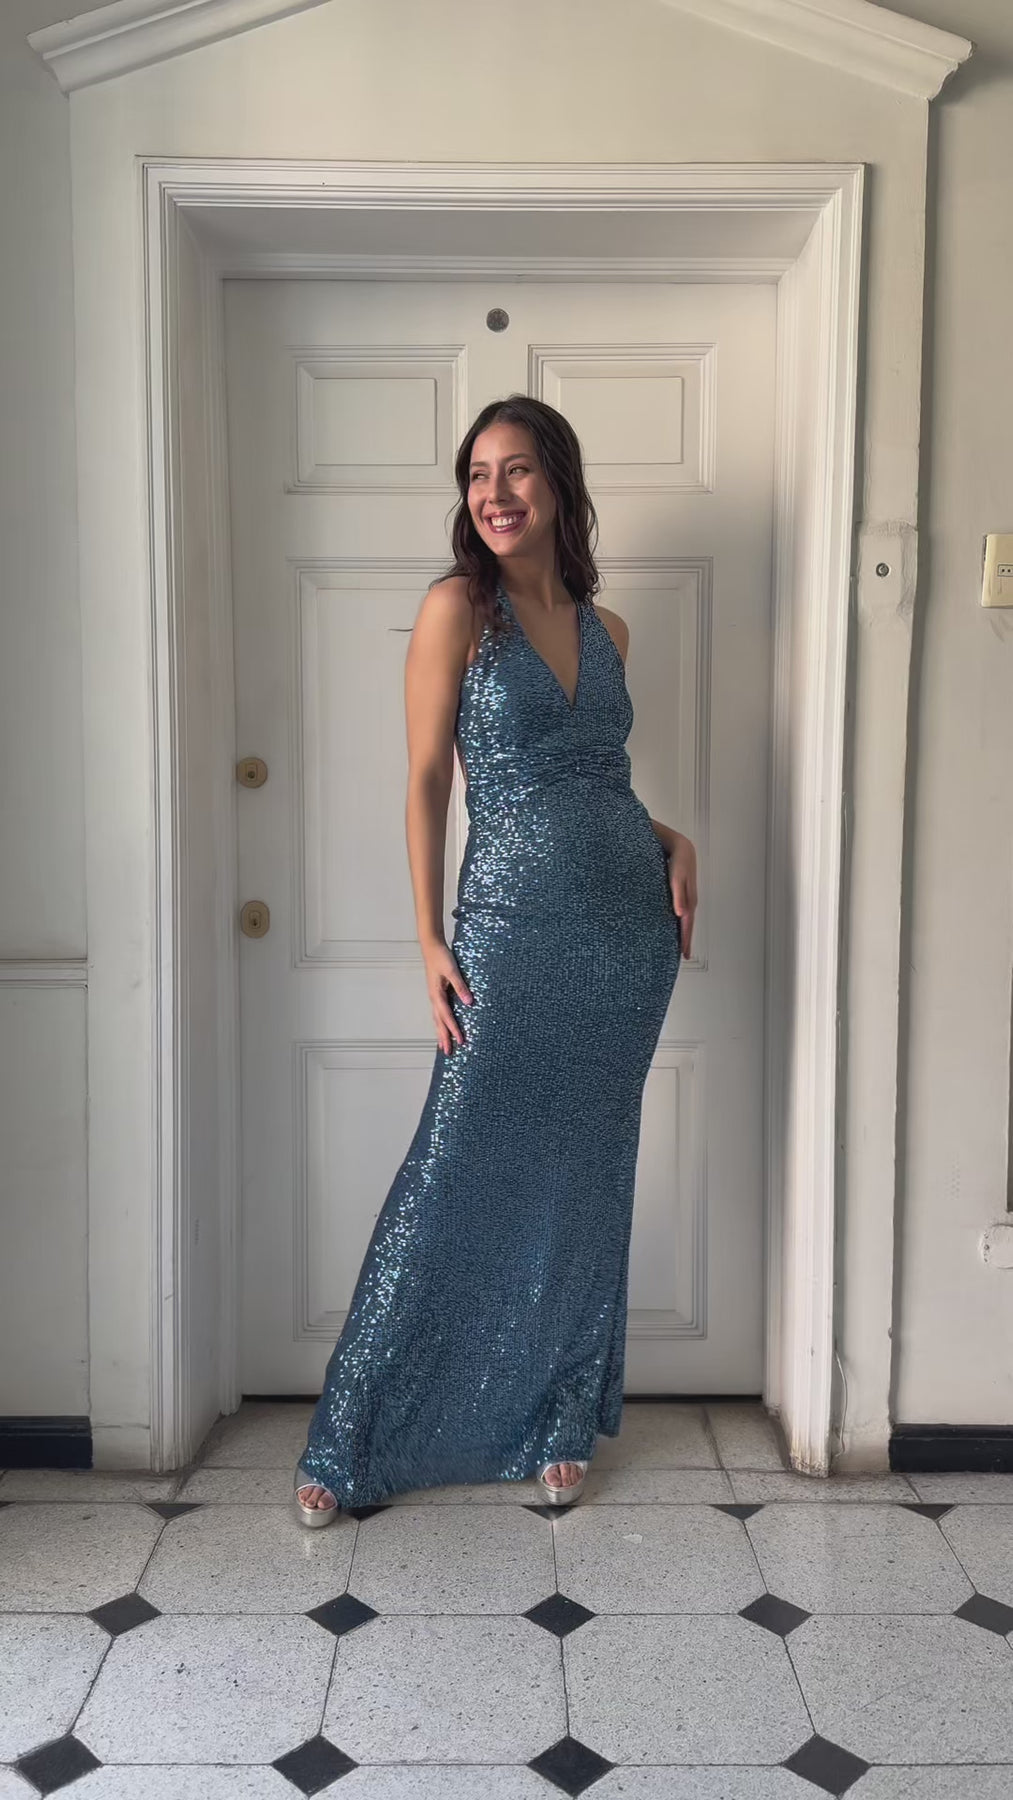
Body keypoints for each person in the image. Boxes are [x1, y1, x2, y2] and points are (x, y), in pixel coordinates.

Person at [293, 394, 697, 1525]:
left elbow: (595, 781)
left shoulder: (610, 632)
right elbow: (429, 779)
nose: (493, 493)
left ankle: (558, 1418)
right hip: (505, 936)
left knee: (584, 1179)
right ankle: (349, 1435)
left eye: (516, 470)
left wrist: (671, 838)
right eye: (477, 474)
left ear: (557, 483)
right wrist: (428, 936)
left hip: (625, 941)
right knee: (451, 1169)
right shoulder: (456, 611)